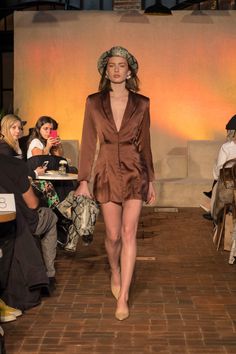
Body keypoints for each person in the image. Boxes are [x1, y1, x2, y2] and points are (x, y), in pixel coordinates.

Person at [74, 46, 156, 321]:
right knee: (112, 235)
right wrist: (83, 179)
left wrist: (151, 181)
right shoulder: (93, 102)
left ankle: (123, 297)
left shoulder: (142, 103)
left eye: (122, 65)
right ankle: (115, 269)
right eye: (112, 65)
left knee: (129, 232)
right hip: (106, 171)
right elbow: (87, 141)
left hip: (135, 171)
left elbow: (145, 144)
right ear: (106, 70)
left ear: (130, 70)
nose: (117, 69)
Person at [0, 152, 58, 293]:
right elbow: (32, 204)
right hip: (19, 223)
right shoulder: (14, 164)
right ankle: (49, 274)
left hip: (7, 223)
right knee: (51, 216)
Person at [201, 114, 236, 219]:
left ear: (231, 132)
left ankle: (213, 212)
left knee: (218, 176)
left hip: (229, 179)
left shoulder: (226, 147)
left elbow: (219, 170)